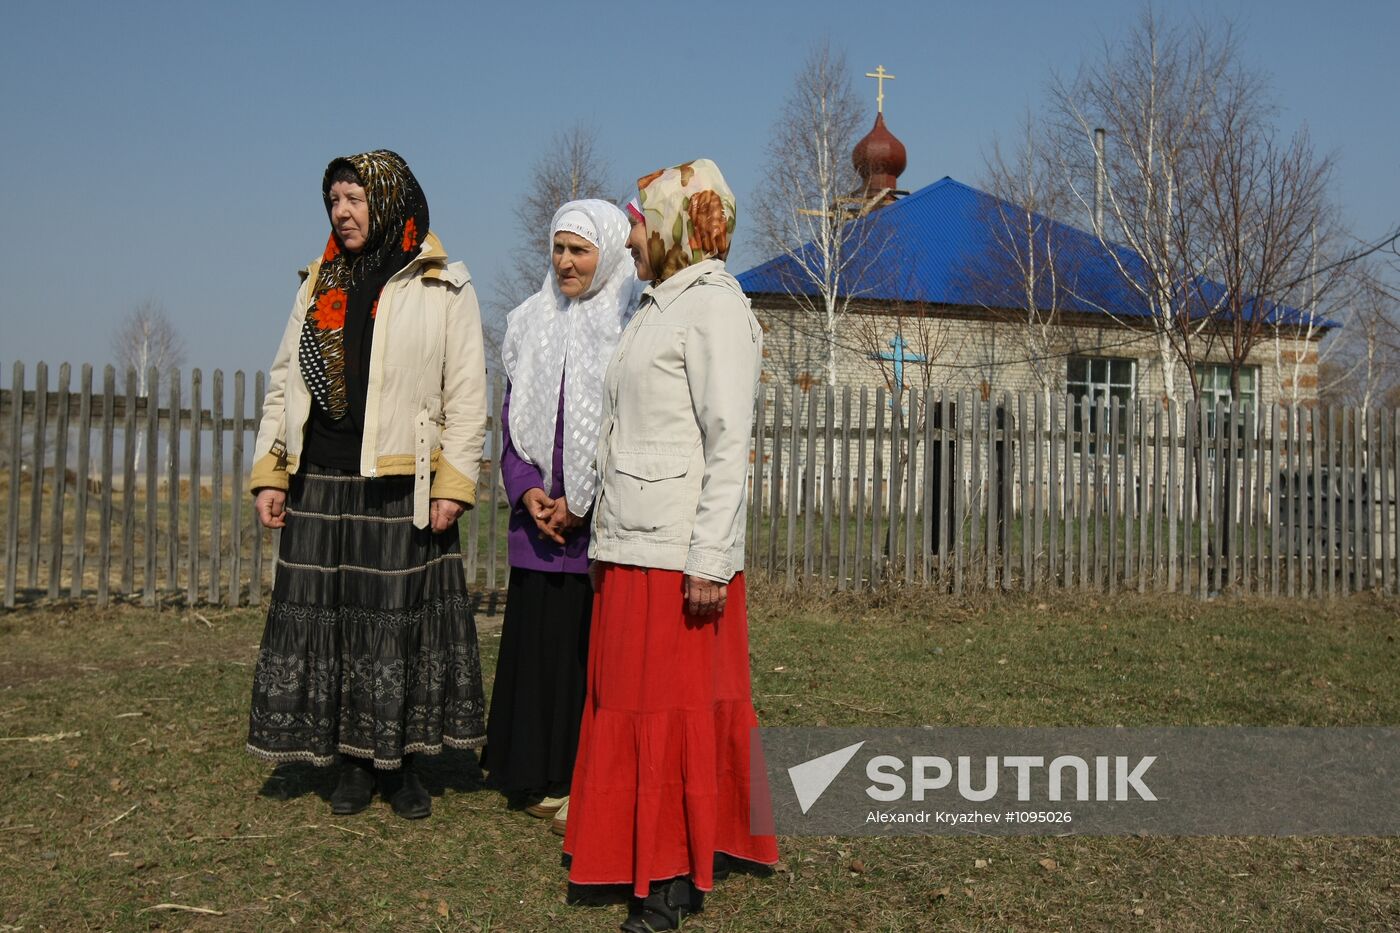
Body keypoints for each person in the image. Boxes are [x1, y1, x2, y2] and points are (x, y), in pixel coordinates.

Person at [563, 160, 779, 932]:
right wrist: (599, 534)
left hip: (679, 555)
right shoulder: (656, 306)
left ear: (679, 225)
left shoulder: (714, 307)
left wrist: (711, 559)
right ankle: (657, 855)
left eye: (642, 224)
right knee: (628, 704)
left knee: (667, 712)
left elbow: (729, 444)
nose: (633, 238)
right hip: (633, 541)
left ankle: (666, 880)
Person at [245, 150, 489, 821]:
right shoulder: (319, 281)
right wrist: (272, 470)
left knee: (395, 624)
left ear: (388, 200)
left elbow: (467, 394)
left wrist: (453, 483)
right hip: (321, 476)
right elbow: (282, 382)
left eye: (354, 198)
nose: (342, 212)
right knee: (335, 622)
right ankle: (351, 763)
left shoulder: (442, 283)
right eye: (334, 200)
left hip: (399, 480)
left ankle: (404, 762)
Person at [485, 199, 637, 834]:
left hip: (594, 522)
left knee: (582, 652)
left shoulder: (629, 319)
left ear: (607, 252)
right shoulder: (529, 320)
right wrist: (527, 493)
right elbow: (512, 419)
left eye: (580, 249)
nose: (567, 262)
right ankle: (530, 769)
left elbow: (627, 421)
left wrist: (582, 500)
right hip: (537, 522)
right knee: (537, 644)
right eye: (559, 249)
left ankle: (577, 773)